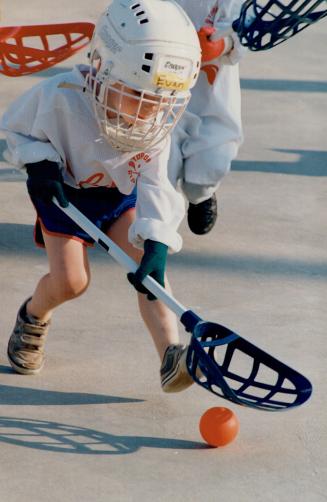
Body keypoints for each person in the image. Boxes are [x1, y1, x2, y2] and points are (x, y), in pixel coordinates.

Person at [0, 0, 201, 392]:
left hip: (117, 198)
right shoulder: (60, 96)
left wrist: (158, 240)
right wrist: (40, 163)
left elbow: (157, 185)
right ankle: (33, 315)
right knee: (71, 282)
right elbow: (16, 131)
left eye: (161, 101)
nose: (149, 112)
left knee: (149, 272)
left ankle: (171, 355)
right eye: (138, 96)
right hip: (65, 196)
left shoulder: (154, 123)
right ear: (100, 67)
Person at [170, 0, 246, 234]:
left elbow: (243, 29)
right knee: (159, 172)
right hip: (163, 96)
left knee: (209, 166)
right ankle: (155, 234)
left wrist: (223, 44)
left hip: (211, 100)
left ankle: (201, 196)